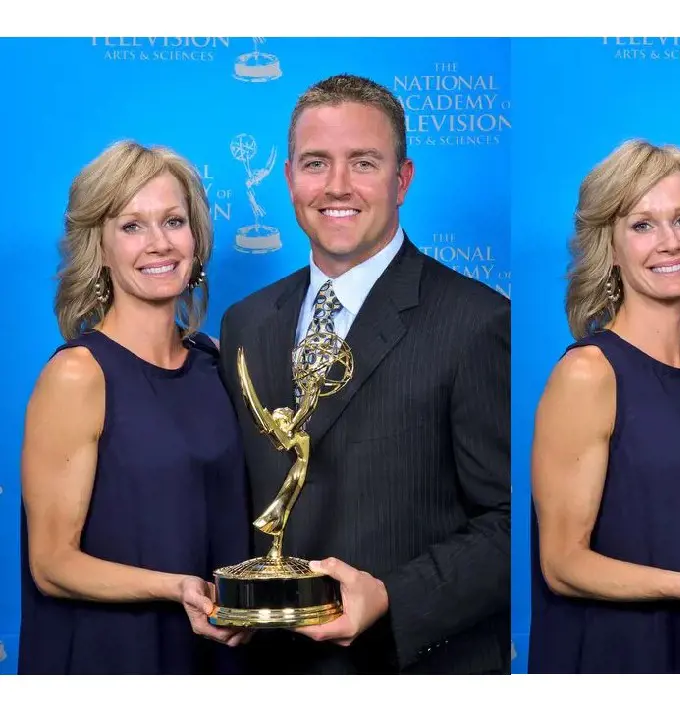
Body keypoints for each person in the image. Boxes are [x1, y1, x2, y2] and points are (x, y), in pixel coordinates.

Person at [218, 74, 510, 674]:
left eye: (364, 163)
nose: (337, 187)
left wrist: (391, 597)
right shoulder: (245, 323)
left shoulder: (477, 321)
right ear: (289, 177)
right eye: (316, 163)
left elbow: (509, 524)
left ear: (402, 180)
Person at [528, 139, 680, 673]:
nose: (669, 242)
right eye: (642, 225)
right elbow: (562, 563)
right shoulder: (588, 373)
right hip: (627, 654)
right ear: (609, 248)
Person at [19, 141, 251, 674]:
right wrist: (176, 588)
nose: (159, 244)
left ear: (196, 238)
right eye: (131, 226)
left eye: (173, 221)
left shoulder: (213, 361)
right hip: (115, 656)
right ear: (99, 248)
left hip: (214, 652)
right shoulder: (78, 374)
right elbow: (51, 564)